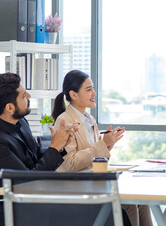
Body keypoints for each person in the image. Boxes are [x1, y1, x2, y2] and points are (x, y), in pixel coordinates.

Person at [51, 70, 152, 226]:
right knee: (129, 205)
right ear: (74, 94)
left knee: (142, 201)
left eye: (93, 88)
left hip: (93, 182)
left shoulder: (89, 119)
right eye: (89, 89)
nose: (94, 93)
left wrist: (107, 147)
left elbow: (93, 157)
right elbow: (70, 164)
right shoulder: (64, 121)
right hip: (77, 187)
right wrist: (102, 145)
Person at [0, 73, 76, 226]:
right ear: (10, 108)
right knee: (101, 212)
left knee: (111, 211)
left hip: (37, 203)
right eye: (23, 96)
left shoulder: (21, 122)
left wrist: (60, 146)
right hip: (17, 211)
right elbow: (26, 182)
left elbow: (37, 160)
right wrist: (54, 148)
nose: (29, 96)